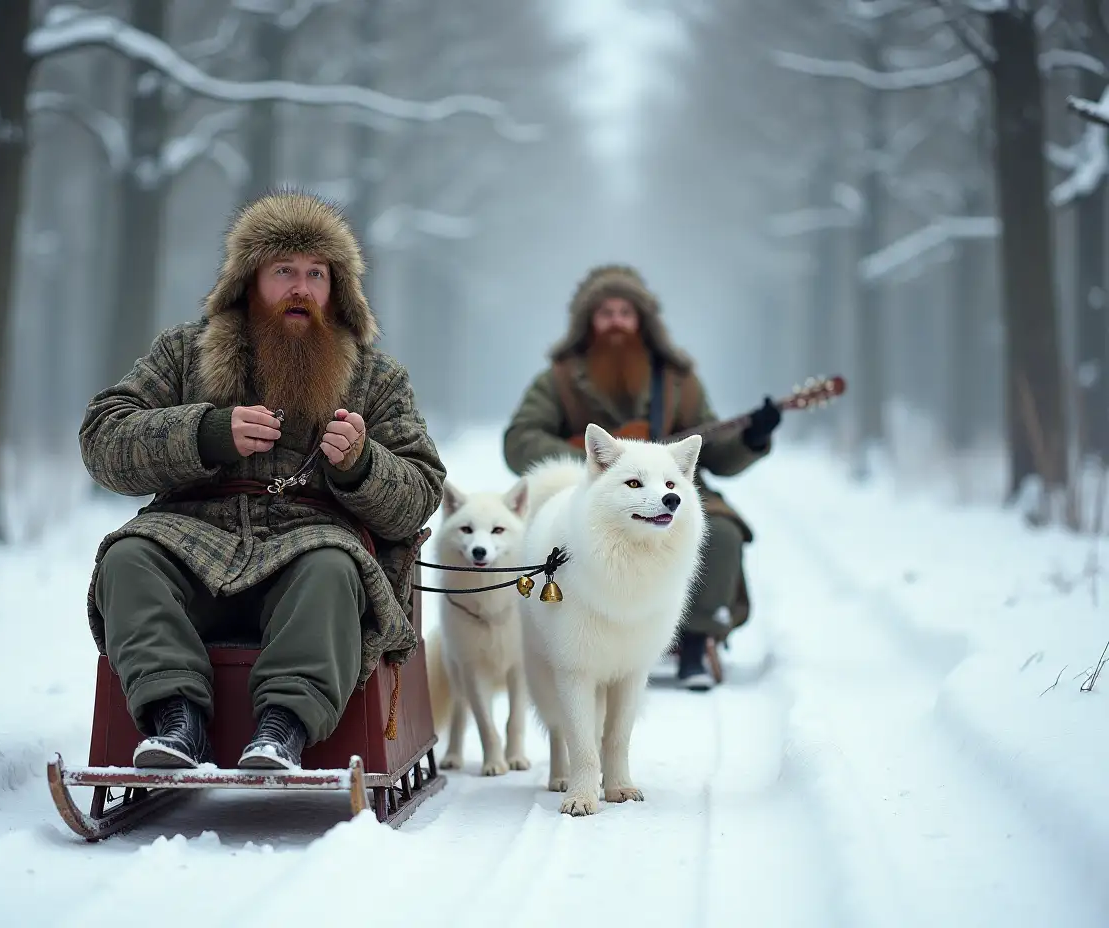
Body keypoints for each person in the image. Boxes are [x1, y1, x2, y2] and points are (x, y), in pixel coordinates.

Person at [79, 189, 446, 769]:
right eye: (284, 271)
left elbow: (421, 492)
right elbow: (102, 440)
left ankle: (282, 730)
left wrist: (361, 465)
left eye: (316, 274)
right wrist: (204, 434)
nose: (301, 288)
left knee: (331, 566)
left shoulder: (377, 378)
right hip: (191, 545)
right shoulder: (183, 353)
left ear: (337, 289)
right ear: (249, 281)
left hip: (307, 553)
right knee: (128, 558)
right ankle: (176, 722)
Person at [502, 264, 780, 690]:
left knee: (722, 532)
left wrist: (752, 437)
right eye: (605, 312)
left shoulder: (678, 382)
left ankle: (695, 642)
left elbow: (713, 450)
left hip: (669, 493)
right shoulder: (558, 380)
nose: (616, 321)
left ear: (643, 321)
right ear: (588, 321)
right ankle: (582, 643)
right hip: (595, 495)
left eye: (625, 312)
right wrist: (599, 463)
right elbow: (521, 439)